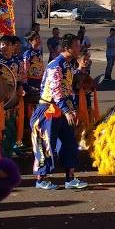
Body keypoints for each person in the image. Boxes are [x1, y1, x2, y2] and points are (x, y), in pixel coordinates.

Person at [30, 33, 87, 190]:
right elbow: (56, 91)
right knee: (46, 144)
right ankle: (41, 179)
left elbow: (67, 90)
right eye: (76, 46)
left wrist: (71, 109)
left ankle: (70, 178)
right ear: (68, 48)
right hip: (48, 110)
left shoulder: (68, 65)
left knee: (70, 143)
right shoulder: (56, 65)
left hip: (62, 110)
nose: (79, 48)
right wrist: (67, 110)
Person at [0, 35, 26, 157]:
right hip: (0, 100)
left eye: (8, 44)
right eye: (2, 44)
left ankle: (9, 152)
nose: (5, 47)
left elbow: (21, 78)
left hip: (13, 99)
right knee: (0, 129)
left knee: (12, 127)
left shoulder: (18, 62)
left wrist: (21, 88)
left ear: (13, 47)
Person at [22, 31, 46, 140]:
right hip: (31, 83)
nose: (39, 39)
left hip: (40, 83)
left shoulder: (39, 52)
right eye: (36, 38)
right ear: (31, 41)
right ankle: (30, 134)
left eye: (39, 37)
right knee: (30, 110)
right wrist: (26, 85)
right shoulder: (27, 54)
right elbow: (25, 70)